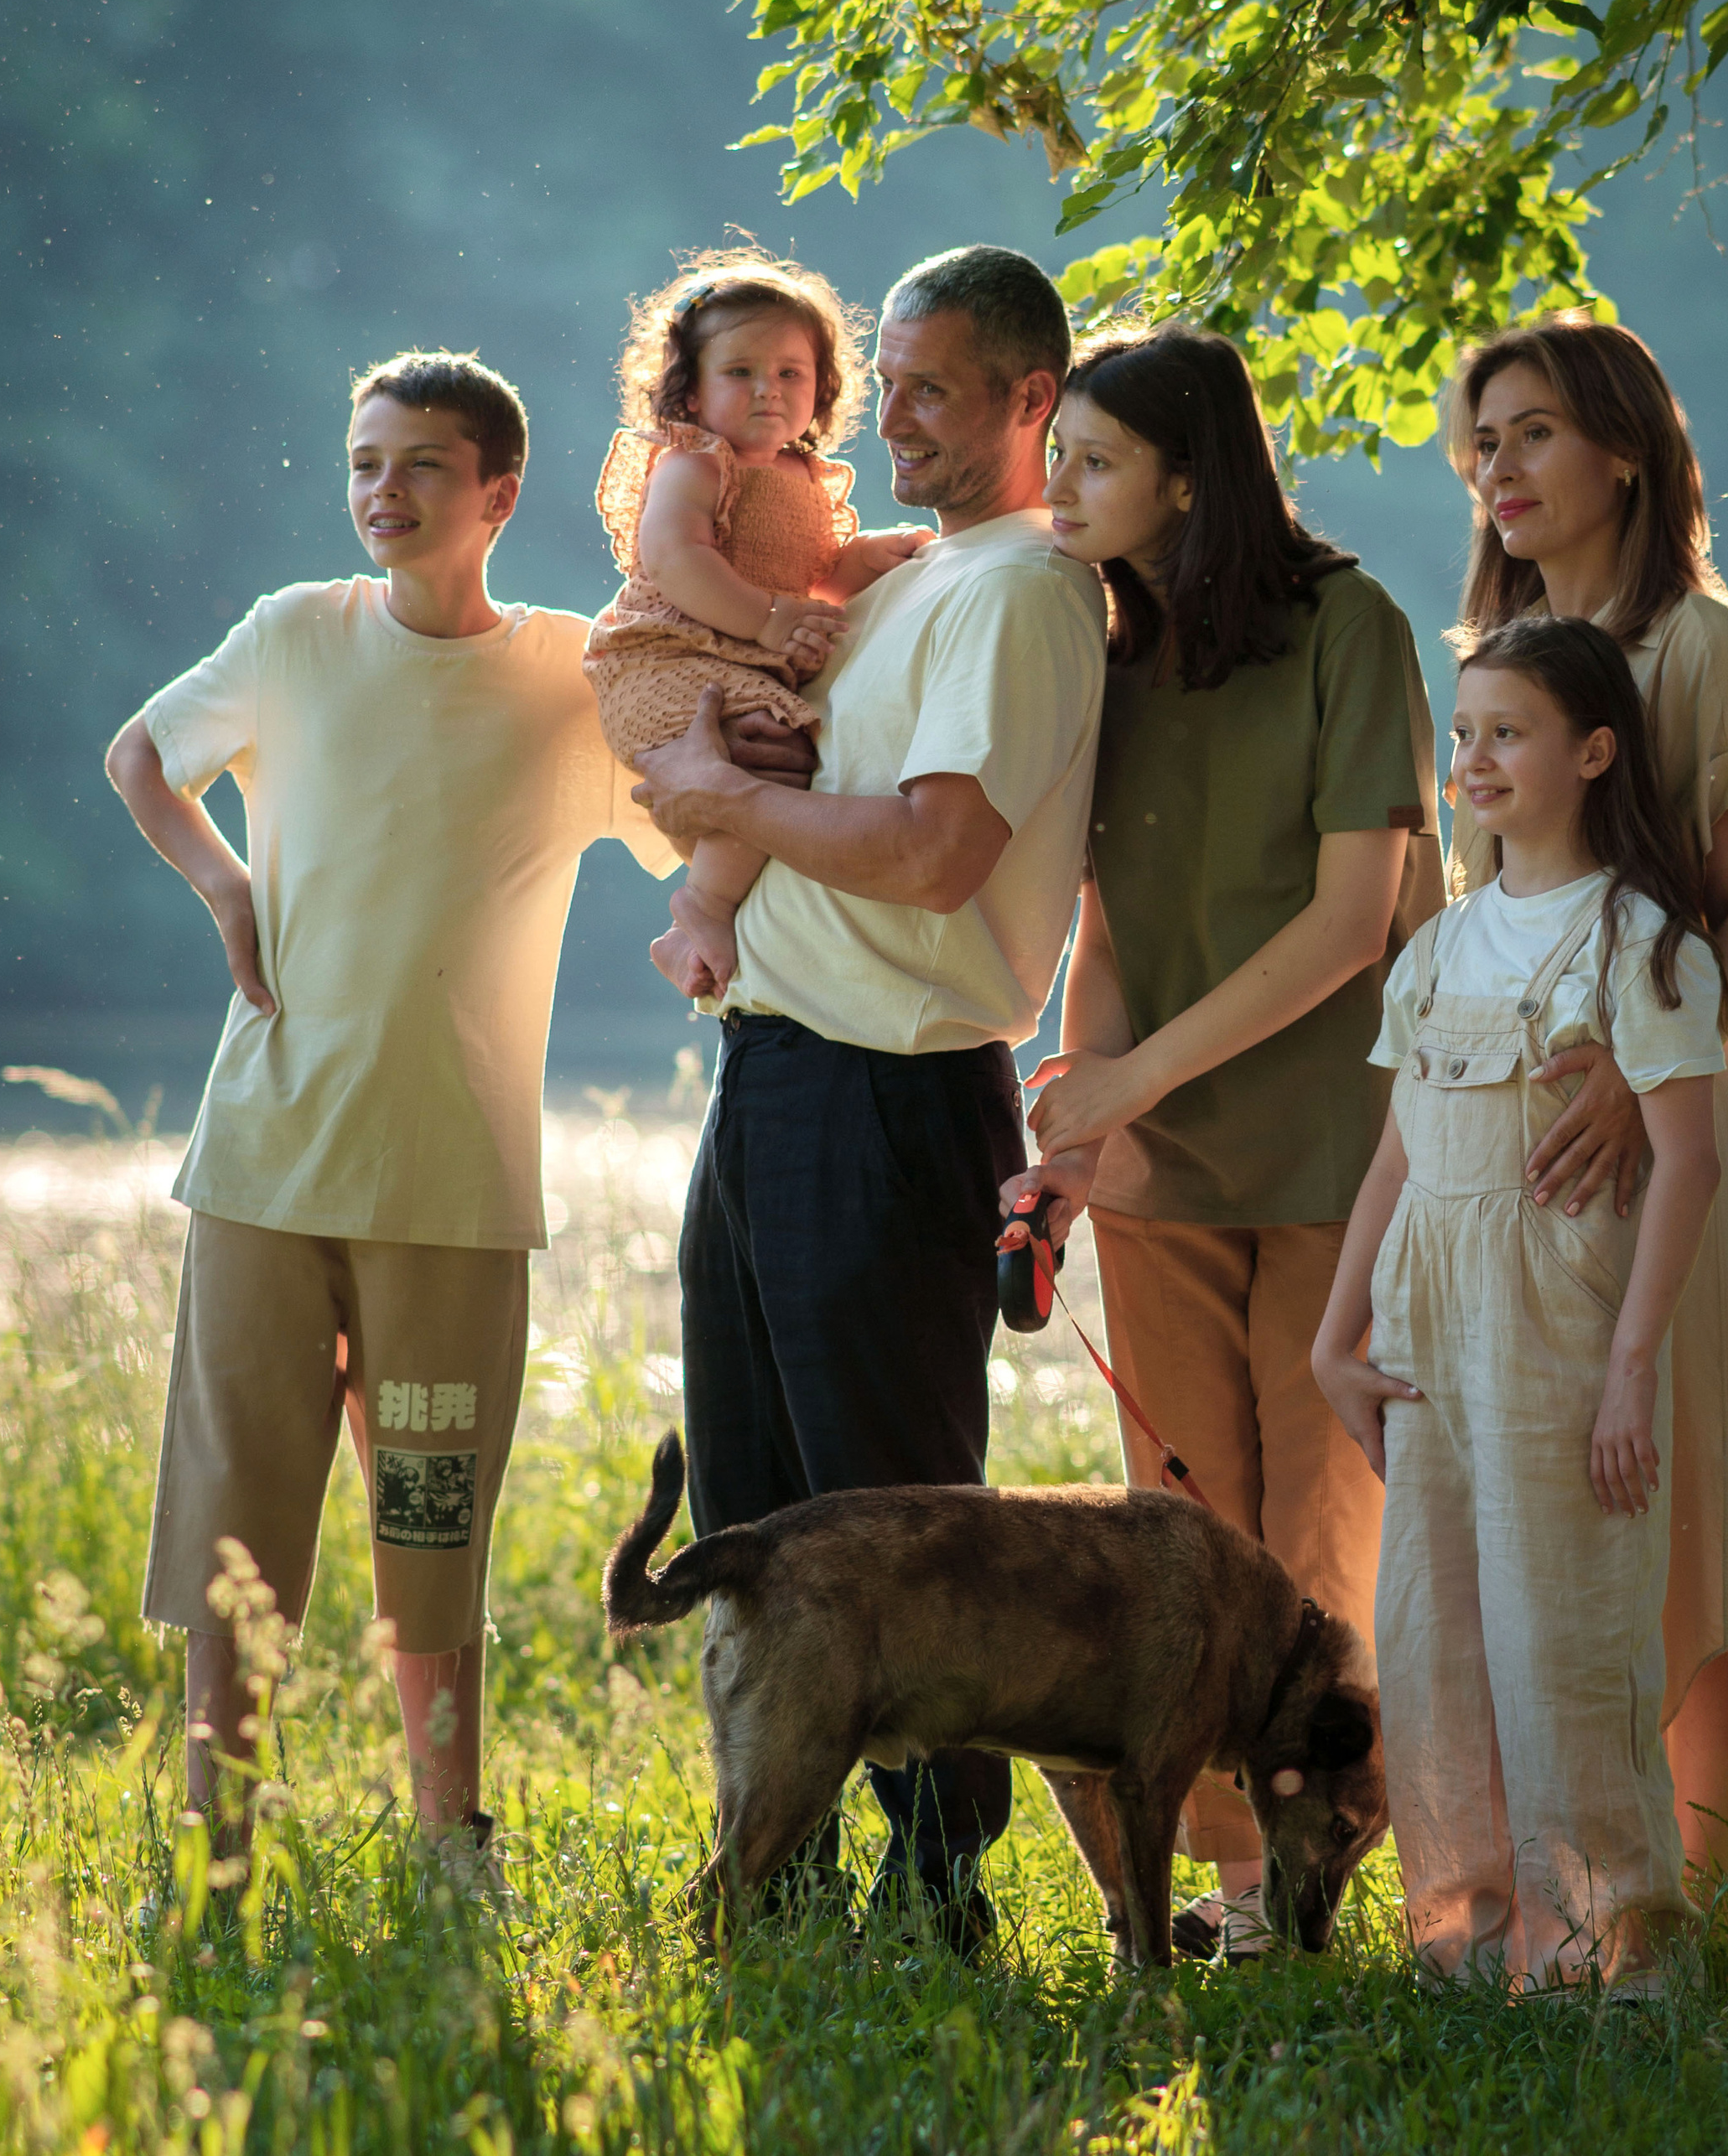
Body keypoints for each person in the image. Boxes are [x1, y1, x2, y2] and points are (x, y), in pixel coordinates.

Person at [629, 245, 1108, 1952]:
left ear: (1028, 399)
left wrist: (719, 803)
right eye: (883, 379)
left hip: (894, 1091)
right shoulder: (905, 583)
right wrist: (731, 782)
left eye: (928, 385)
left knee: (899, 1520)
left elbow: (931, 851)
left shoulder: (1023, 592)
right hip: (771, 1065)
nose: (883, 414)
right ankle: (779, 1880)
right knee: (758, 1511)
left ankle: (939, 1888)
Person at [102, 350, 621, 1889]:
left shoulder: (571, 673)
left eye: (419, 468)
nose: (381, 495)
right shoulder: (292, 635)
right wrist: (225, 884)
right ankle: (220, 1835)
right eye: (361, 463)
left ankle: (448, 1836)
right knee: (234, 1532)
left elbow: (697, 822)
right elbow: (142, 755)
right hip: (265, 1161)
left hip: (456, 1186)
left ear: (497, 495)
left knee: (429, 1536)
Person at [997, 322, 1443, 1961]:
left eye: (1093, 460)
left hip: (1344, 1155)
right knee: (1183, 1535)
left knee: (1317, 1539)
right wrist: (1080, 1105)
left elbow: (1350, 922)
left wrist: (1132, 1081)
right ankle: (1240, 1889)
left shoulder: (1349, 628)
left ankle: (1343, 1865)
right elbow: (1109, 916)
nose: (1061, 484)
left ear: (1187, 479)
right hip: (1161, 1178)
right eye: (1060, 456)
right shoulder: (1104, 648)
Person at [1314, 614, 1727, 1996]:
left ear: (1589, 752)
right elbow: (1395, 1153)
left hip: (1555, 1324)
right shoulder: (1434, 949)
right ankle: (1472, 1938)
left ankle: (1618, 1943)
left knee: (1562, 1630)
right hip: (1425, 1323)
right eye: (1463, 733)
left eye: (1507, 732)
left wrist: (1627, 1371)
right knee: (1435, 1632)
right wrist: (1334, 1333)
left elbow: (1686, 1163)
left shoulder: (1644, 944)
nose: (1473, 758)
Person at [1443, 314, 1728, 1897]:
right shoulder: (1491, 667)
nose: (1492, 467)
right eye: (1481, 437)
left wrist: (1633, 1089)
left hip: (1660, 1136)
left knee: (1674, 1484)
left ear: (1622, 453)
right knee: (1533, 1495)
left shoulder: (1702, 646)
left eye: (1527, 432)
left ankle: (1685, 1900)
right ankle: (1558, 1877)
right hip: (1503, 1151)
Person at [583, 251, 932, 998]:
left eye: (789, 373)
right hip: (661, 658)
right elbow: (677, 559)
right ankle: (699, 910)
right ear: (690, 389)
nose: (767, 390)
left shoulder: (804, 478)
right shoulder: (697, 465)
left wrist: (870, 557)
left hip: (732, 662)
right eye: (739, 372)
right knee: (772, 758)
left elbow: (814, 572)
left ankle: (702, 915)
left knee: (777, 761)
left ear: (823, 386)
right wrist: (771, 622)